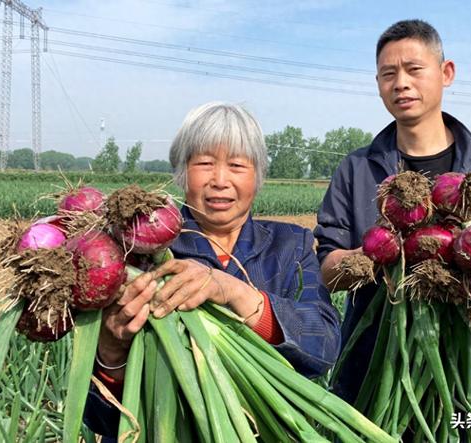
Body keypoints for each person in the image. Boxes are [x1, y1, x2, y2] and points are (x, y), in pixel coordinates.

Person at [314, 19, 471, 405]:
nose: (401, 83)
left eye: (414, 69)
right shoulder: (355, 170)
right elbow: (327, 270)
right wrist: (384, 254)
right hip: (374, 374)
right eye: (389, 74)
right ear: (378, 84)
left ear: (446, 73)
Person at [84, 101, 341, 439]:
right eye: (204, 163)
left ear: (258, 175)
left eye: (237, 165)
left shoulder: (290, 244)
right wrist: (111, 350)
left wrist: (234, 292)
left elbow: (322, 346)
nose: (220, 180)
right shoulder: (138, 258)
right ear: (181, 172)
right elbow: (103, 421)